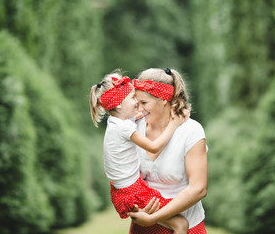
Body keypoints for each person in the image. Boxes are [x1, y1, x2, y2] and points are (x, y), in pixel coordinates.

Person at [89, 69, 189, 234]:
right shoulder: (124, 128)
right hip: (134, 192)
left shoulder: (115, 123)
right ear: (119, 103)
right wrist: (174, 123)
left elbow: (135, 117)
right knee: (181, 224)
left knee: (171, 222)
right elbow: (154, 147)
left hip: (123, 191)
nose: (137, 102)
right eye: (133, 98)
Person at [127, 68, 208, 234]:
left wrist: (154, 217)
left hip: (187, 224)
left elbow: (198, 189)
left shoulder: (191, 131)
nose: (140, 109)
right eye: (137, 103)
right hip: (143, 225)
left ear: (164, 99)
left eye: (144, 103)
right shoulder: (134, 127)